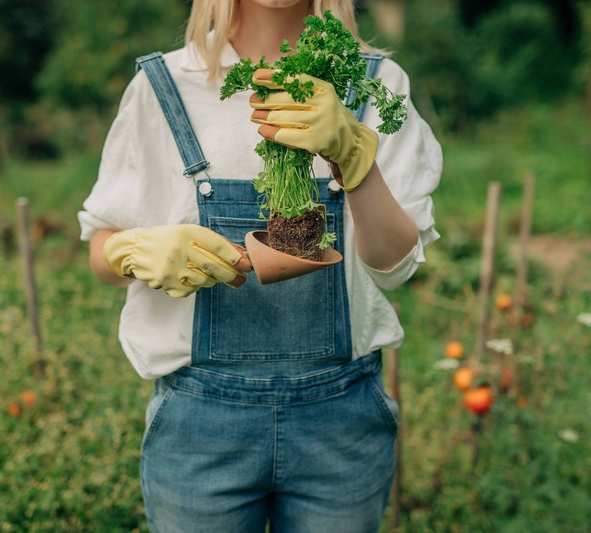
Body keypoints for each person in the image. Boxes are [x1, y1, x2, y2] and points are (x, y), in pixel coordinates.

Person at [78, 0, 442, 530]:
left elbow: (396, 266)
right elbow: (100, 246)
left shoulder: (373, 81)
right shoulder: (164, 85)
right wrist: (127, 250)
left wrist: (356, 164)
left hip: (340, 422)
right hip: (199, 425)